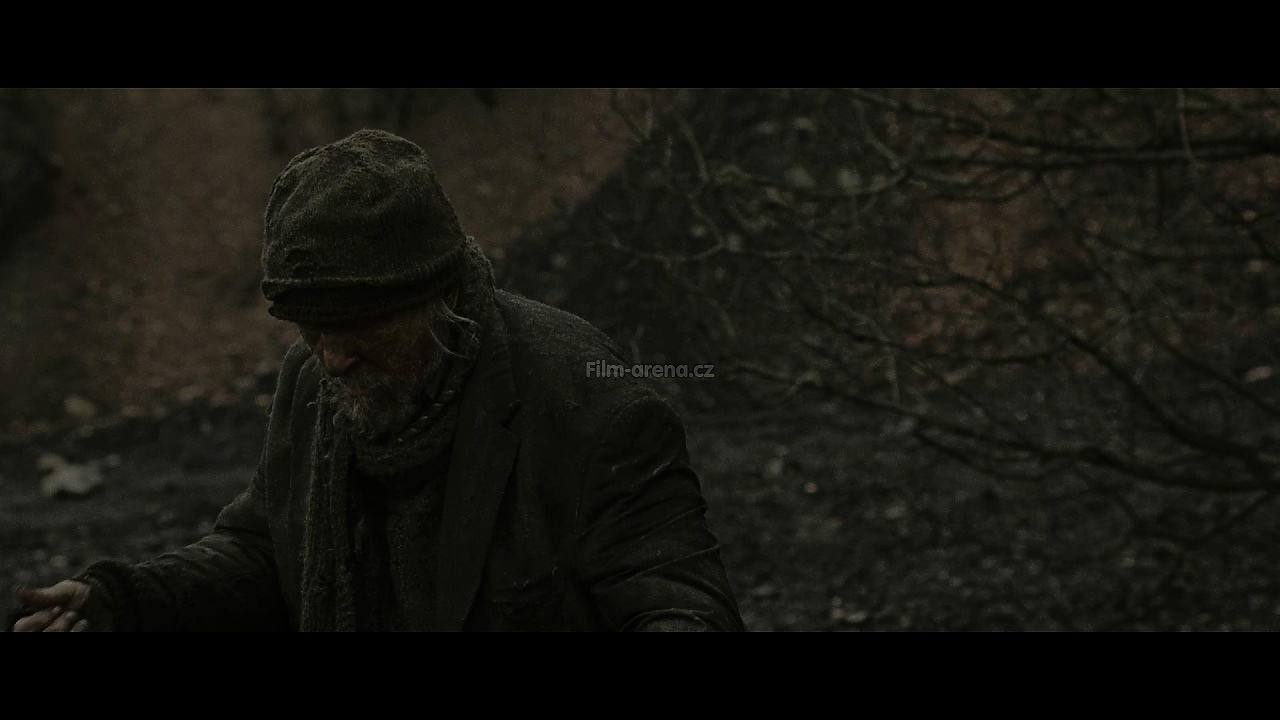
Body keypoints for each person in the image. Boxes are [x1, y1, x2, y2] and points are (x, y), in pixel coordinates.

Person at [9, 129, 744, 631]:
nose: (332, 358)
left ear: (439, 300)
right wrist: (121, 600)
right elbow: (264, 552)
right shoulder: (312, 384)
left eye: (358, 327)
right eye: (311, 329)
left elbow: (680, 606)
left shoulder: (591, 406)